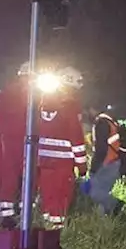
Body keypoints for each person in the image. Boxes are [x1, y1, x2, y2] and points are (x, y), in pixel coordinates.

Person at [35, 68, 87, 229]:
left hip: (43, 159)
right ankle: (56, 231)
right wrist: (82, 164)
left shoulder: (41, 104)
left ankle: (45, 223)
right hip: (63, 161)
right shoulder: (71, 106)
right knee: (62, 194)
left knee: (47, 191)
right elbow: (76, 136)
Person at [0, 63, 34, 225]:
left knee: (27, 175)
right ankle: (6, 212)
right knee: (11, 173)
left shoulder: (29, 93)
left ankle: (23, 209)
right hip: (13, 138)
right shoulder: (11, 93)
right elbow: (1, 117)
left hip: (26, 138)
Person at [88, 106, 126, 215]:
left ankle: (116, 205)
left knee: (95, 192)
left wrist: (94, 167)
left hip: (106, 163)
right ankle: (105, 219)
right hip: (113, 161)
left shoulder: (101, 123)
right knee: (102, 191)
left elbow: (101, 148)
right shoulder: (110, 121)